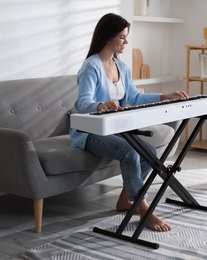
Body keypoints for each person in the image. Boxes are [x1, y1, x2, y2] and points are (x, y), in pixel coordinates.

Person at [70, 13, 188, 232]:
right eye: (122, 37)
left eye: (126, 37)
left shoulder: (121, 67)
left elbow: (133, 98)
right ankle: (144, 209)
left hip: (115, 129)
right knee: (130, 153)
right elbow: (82, 102)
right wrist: (100, 105)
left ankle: (126, 200)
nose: (126, 41)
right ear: (108, 37)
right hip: (89, 132)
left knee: (150, 152)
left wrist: (165, 96)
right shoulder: (91, 66)